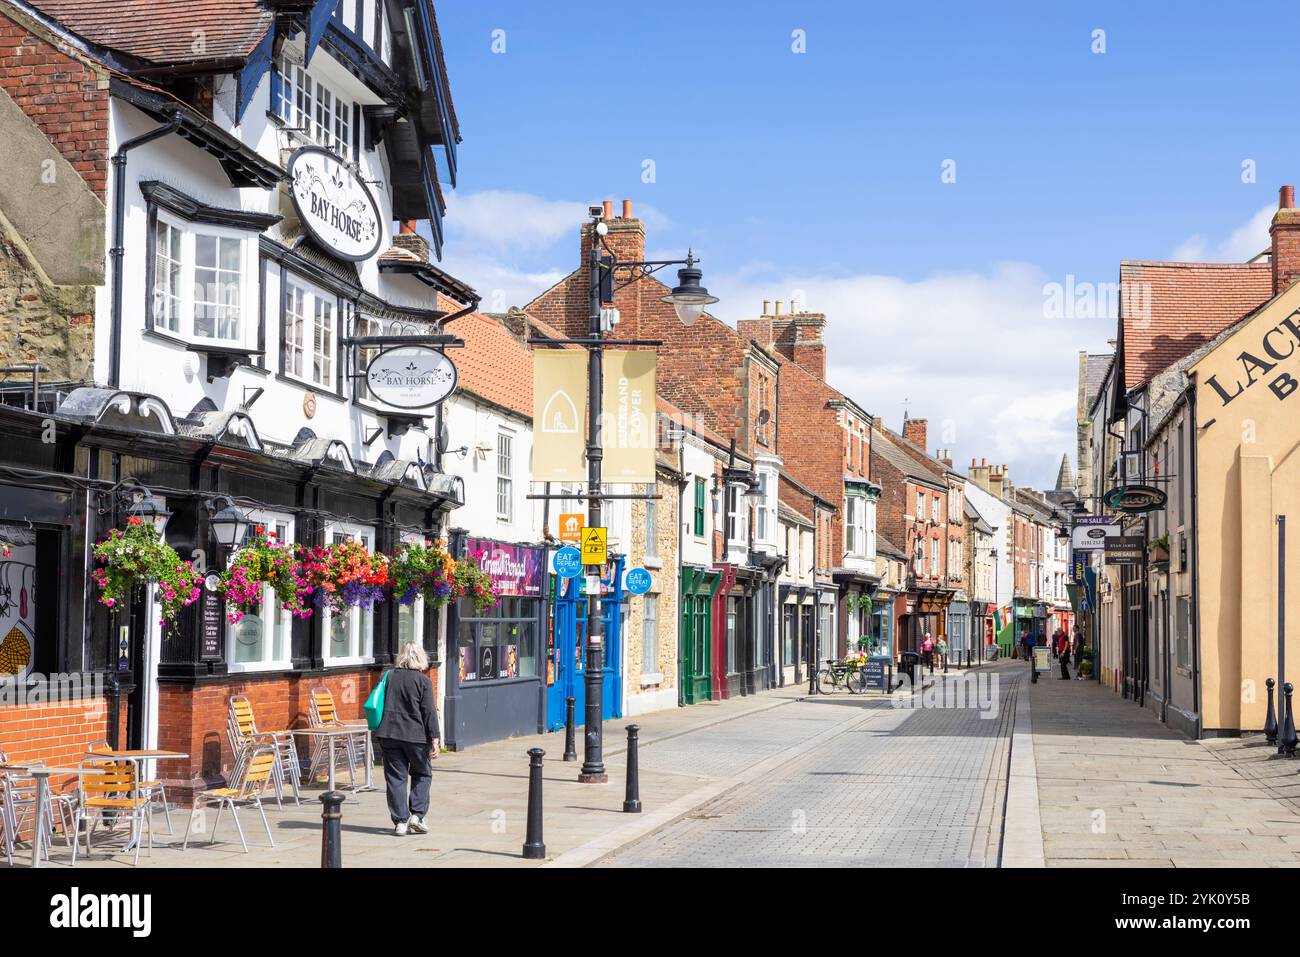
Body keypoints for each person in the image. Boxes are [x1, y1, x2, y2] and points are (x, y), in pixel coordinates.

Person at [375, 640, 440, 836]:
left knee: (396, 778)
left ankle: (400, 822)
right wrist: (435, 739)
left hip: (389, 733)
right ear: (421, 658)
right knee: (423, 774)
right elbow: (429, 712)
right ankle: (417, 816)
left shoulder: (387, 676)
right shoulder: (423, 681)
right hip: (416, 736)